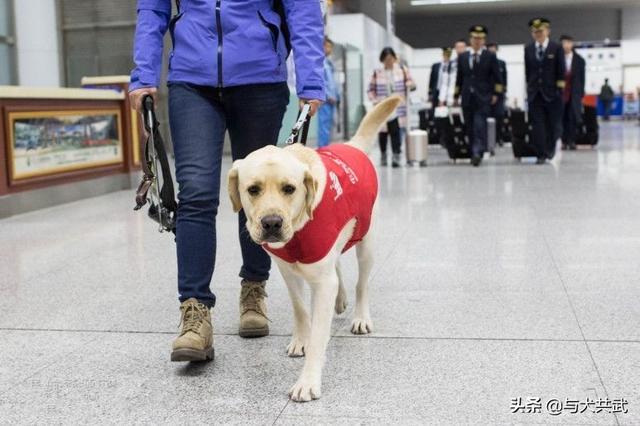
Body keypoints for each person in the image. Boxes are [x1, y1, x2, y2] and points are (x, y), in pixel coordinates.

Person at [129, 0, 325, 362]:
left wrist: (312, 79)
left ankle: (254, 288)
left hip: (261, 79)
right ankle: (195, 313)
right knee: (197, 194)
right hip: (191, 78)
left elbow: (303, 9)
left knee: (259, 194)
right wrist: (143, 74)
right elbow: (152, 9)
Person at [454, 25, 503, 167]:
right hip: (467, 97)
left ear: (483, 40)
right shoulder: (463, 57)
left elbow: (497, 77)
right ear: (470, 39)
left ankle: (477, 152)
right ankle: (475, 151)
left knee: (479, 124)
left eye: (480, 38)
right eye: (475, 38)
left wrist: (496, 93)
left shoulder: (490, 56)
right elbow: (459, 77)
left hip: (483, 97)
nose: (477, 41)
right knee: (469, 125)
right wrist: (456, 95)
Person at [525, 18, 565, 164]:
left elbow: (561, 70)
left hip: (552, 93)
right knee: (537, 124)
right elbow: (528, 72)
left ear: (548, 31)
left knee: (552, 124)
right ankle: (541, 153)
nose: (538, 34)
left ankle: (550, 148)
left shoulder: (556, 48)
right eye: (535, 32)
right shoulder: (528, 49)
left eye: (540, 31)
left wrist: (559, 90)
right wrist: (529, 89)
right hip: (535, 93)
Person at [368, 47, 415, 167]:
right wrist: (374, 101)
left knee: (396, 132)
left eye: (391, 58)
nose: (389, 61)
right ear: (382, 60)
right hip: (383, 107)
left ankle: (396, 156)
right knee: (383, 133)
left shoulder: (402, 70)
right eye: (386, 59)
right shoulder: (377, 73)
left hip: (397, 107)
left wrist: (410, 84)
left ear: (394, 58)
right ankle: (383, 155)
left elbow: (411, 83)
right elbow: (370, 89)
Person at [560, 35, 586, 150]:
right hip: (560, 94)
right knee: (561, 118)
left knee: (572, 117)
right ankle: (563, 140)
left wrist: (581, 93)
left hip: (574, 94)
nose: (566, 45)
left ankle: (571, 140)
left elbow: (582, 78)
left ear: (572, 44)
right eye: (564, 43)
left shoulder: (579, 60)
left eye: (568, 43)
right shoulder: (558, 58)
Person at [317, 37, 340, 148]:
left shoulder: (328, 63)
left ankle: (326, 147)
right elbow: (321, 81)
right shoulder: (320, 62)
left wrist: (336, 96)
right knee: (324, 125)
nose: (329, 49)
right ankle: (322, 149)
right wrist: (327, 95)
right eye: (327, 46)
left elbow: (332, 82)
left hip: (332, 100)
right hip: (325, 100)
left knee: (329, 125)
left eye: (331, 47)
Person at [487, 42, 508, 147]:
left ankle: (499, 137)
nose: (492, 51)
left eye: (493, 49)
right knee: (488, 117)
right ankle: (490, 139)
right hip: (486, 94)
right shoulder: (484, 63)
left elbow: (503, 80)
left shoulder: (501, 63)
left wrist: (498, 93)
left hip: (499, 95)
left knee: (499, 116)